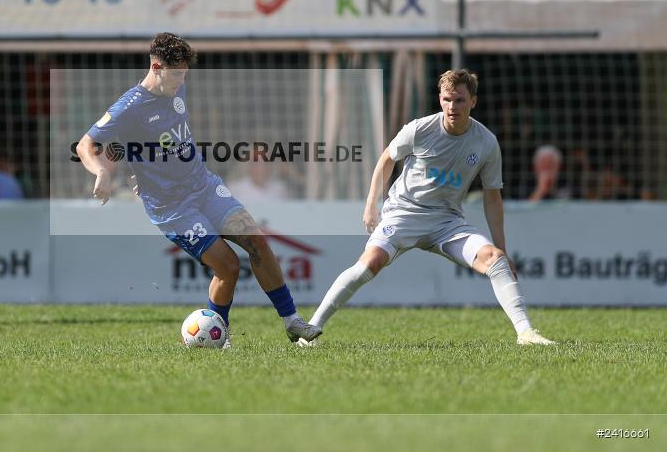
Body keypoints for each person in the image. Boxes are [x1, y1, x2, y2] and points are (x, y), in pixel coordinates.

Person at [76, 32, 321, 347]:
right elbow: (86, 144)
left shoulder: (175, 88)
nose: (181, 81)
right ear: (156, 67)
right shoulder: (129, 106)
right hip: (173, 208)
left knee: (258, 242)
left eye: (184, 74)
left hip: (204, 186)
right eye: (176, 74)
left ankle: (292, 322)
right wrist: (101, 173)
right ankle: (221, 335)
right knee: (228, 266)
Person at [302, 69, 555, 347]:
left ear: (473, 102)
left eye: (459, 100)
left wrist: (503, 247)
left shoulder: (486, 142)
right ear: (439, 98)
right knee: (367, 266)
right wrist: (371, 205)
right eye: (446, 99)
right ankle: (311, 331)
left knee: (495, 260)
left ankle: (526, 334)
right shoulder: (420, 129)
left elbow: (492, 196)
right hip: (403, 213)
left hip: (446, 221)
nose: (451, 107)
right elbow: (386, 159)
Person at [226, 158, 291, 204]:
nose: (261, 168)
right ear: (248, 166)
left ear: (271, 165)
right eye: (256, 163)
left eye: (265, 163)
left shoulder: (280, 189)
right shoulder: (235, 188)